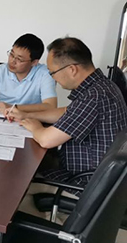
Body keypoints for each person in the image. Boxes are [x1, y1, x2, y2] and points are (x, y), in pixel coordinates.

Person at [8, 37, 127, 192]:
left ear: (72, 69)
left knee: (19, 186)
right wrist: (27, 115)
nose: (53, 78)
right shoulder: (101, 86)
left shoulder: (94, 97)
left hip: (85, 183)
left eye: (53, 72)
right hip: (92, 172)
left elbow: (46, 140)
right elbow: (67, 112)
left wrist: (35, 126)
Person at [0, 33, 57, 113]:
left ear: (34, 62)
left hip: (30, 120)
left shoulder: (45, 74)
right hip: (0, 118)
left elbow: (50, 106)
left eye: (19, 59)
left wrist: (13, 107)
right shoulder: (0, 71)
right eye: (11, 54)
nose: (12, 61)